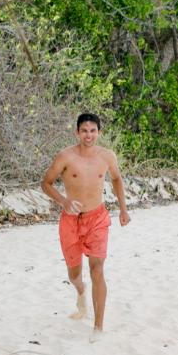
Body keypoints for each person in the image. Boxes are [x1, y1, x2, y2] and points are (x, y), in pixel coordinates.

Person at [40, 112, 130, 330]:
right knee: (74, 275)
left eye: (92, 131)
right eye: (84, 131)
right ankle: (81, 291)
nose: (88, 135)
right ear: (77, 133)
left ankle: (98, 327)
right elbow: (46, 183)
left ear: (99, 132)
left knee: (97, 269)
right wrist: (63, 201)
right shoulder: (65, 156)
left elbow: (117, 178)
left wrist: (123, 209)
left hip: (97, 218)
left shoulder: (107, 156)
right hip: (70, 221)